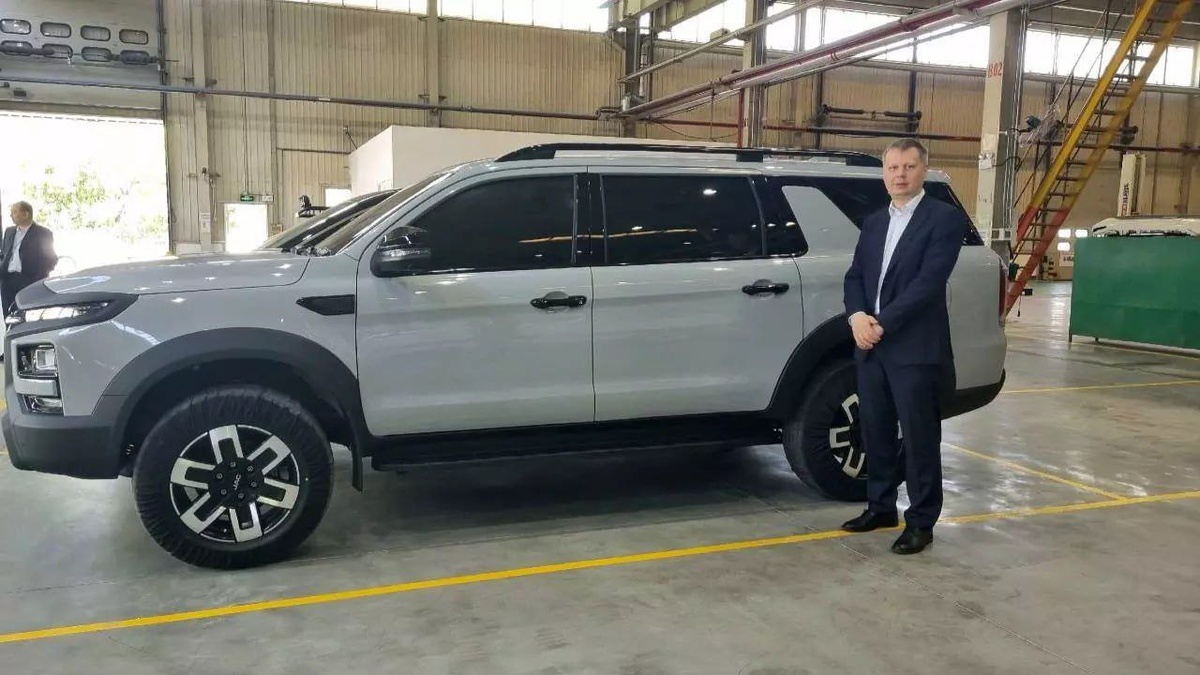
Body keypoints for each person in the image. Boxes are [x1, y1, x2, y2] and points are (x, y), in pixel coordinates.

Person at [840, 138, 968, 555]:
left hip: (914, 347)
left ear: (923, 170)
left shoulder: (943, 219)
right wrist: (857, 317)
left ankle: (921, 520)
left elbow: (928, 285)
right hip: (871, 345)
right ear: (884, 173)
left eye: (909, 167)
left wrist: (881, 324)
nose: (900, 175)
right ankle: (880, 507)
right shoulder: (875, 221)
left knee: (919, 437)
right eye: (893, 167)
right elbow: (855, 276)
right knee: (874, 430)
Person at [2, 201, 59, 316]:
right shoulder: (9, 231)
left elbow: (51, 259)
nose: (11, 215)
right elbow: (4, 253)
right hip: (7, 279)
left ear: (26, 214)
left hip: (28, 280)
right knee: (8, 314)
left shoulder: (42, 233)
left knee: (27, 314)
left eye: (14, 212)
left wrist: (38, 278)